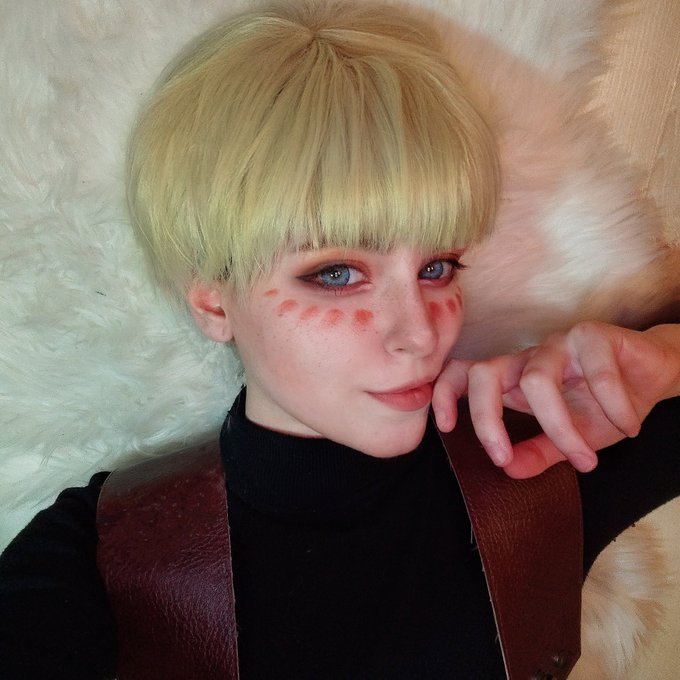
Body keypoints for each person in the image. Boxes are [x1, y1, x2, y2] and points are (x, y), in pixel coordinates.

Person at [1, 1, 679, 678]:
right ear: (212, 300)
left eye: (437, 267)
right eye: (336, 273)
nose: (421, 333)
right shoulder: (102, 554)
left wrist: (664, 362)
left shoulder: (530, 465)